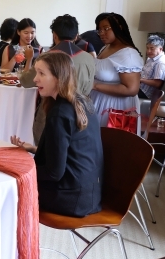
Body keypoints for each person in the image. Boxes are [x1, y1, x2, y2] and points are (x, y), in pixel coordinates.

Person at [10, 51, 103, 217]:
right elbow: (73, 152)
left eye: (41, 73)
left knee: (8, 189)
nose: (34, 79)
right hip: (89, 192)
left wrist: (19, 169)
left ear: (58, 78)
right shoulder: (82, 101)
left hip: (70, 197)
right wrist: (33, 148)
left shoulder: (60, 112)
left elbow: (54, 173)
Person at [25, 14, 96, 145]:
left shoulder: (47, 57)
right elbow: (90, 87)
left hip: (50, 110)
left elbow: (26, 81)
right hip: (81, 111)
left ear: (54, 35)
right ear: (76, 36)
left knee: (46, 151)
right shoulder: (89, 59)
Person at [89, 13, 143, 131]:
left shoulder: (128, 54)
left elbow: (132, 89)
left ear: (119, 27)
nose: (101, 33)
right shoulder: (106, 47)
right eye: (99, 30)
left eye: (106, 28)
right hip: (99, 103)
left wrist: (95, 86)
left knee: (111, 144)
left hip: (115, 109)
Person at [139, 35, 165, 99]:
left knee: (121, 91)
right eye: (147, 48)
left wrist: (140, 80)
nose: (148, 51)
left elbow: (157, 84)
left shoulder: (161, 63)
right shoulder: (151, 58)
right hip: (140, 87)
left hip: (145, 93)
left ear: (160, 49)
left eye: (152, 48)